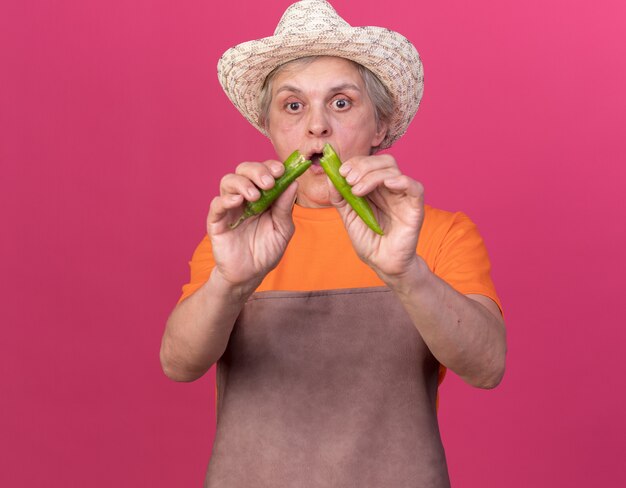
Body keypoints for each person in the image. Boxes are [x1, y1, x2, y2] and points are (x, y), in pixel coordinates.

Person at [160, 0, 506, 486]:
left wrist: (406, 274)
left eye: (341, 102)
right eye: (293, 105)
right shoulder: (238, 235)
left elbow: (488, 367)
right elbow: (178, 364)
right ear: (271, 127)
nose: (316, 125)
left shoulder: (441, 232)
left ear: (380, 126)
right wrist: (230, 283)